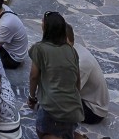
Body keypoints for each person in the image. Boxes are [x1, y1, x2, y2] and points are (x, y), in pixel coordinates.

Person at [27, 11, 82, 139]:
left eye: (43, 22)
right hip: (72, 107)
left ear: (47, 28)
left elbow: (34, 76)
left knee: (43, 133)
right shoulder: (72, 51)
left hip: (51, 106)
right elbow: (77, 80)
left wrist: (32, 97)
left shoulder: (39, 49)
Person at [66, 25, 108, 126]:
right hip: (83, 97)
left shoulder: (82, 62)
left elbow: (68, 93)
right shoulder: (74, 48)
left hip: (93, 110)